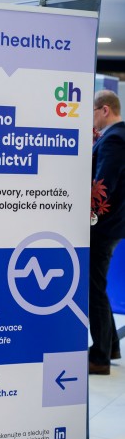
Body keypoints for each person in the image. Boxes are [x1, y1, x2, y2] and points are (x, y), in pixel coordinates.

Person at [89, 89, 125, 374]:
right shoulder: (116, 136)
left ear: (104, 110)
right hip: (115, 224)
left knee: (94, 287)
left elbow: (104, 183)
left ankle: (100, 357)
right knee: (98, 284)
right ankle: (111, 344)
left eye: (93, 112)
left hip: (104, 226)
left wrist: (91, 214)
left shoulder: (114, 139)